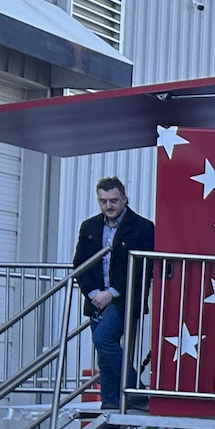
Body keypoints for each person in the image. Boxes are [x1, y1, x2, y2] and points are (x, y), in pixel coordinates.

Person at [73, 176, 156, 412]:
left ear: (124, 199)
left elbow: (143, 267)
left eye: (113, 200)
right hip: (96, 299)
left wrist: (111, 293)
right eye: (103, 201)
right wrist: (92, 293)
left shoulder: (142, 227)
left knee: (104, 340)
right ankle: (110, 404)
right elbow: (80, 264)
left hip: (126, 300)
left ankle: (136, 391)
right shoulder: (89, 227)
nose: (108, 206)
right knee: (104, 353)